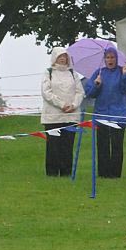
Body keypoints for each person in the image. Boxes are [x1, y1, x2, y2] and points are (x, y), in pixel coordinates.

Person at [84, 47, 126, 178]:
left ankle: (115, 174)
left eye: (112, 57)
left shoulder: (124, 71)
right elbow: (89, 93)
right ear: (104, 59)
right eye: (108, 57)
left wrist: (124, 76)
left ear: (117, 59)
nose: (110, 60)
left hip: (119, 115)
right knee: (103, 145)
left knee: (117, 145)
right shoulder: (99, 73)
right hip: (101, 114)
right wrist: (96, 84)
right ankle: (103, 174)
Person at [40, 48, 85, 177]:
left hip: (71, 116)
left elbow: (79, 91)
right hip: (53, 116)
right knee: (53, 147)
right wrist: (61, 104)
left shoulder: (72, 73)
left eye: (65, 56)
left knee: (67, 146)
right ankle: (52, 173)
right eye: (60, 56)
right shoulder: (48, 73)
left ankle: (66, 173)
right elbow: (46, 92)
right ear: (55, 57)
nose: (62, 58)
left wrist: (74, 105)